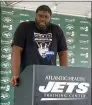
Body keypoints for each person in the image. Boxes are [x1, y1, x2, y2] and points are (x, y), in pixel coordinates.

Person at [10, 5, 68, 87]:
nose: (43, 19)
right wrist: (15, 74)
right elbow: (16, 50)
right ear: (35, 15)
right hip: (27, 74)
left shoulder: (56, 30)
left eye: (46, 17)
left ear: (50, 18)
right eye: (40, 16)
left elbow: (63, 53)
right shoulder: (25, 27)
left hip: (49, 75)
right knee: (26, 98)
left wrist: (64, 75)